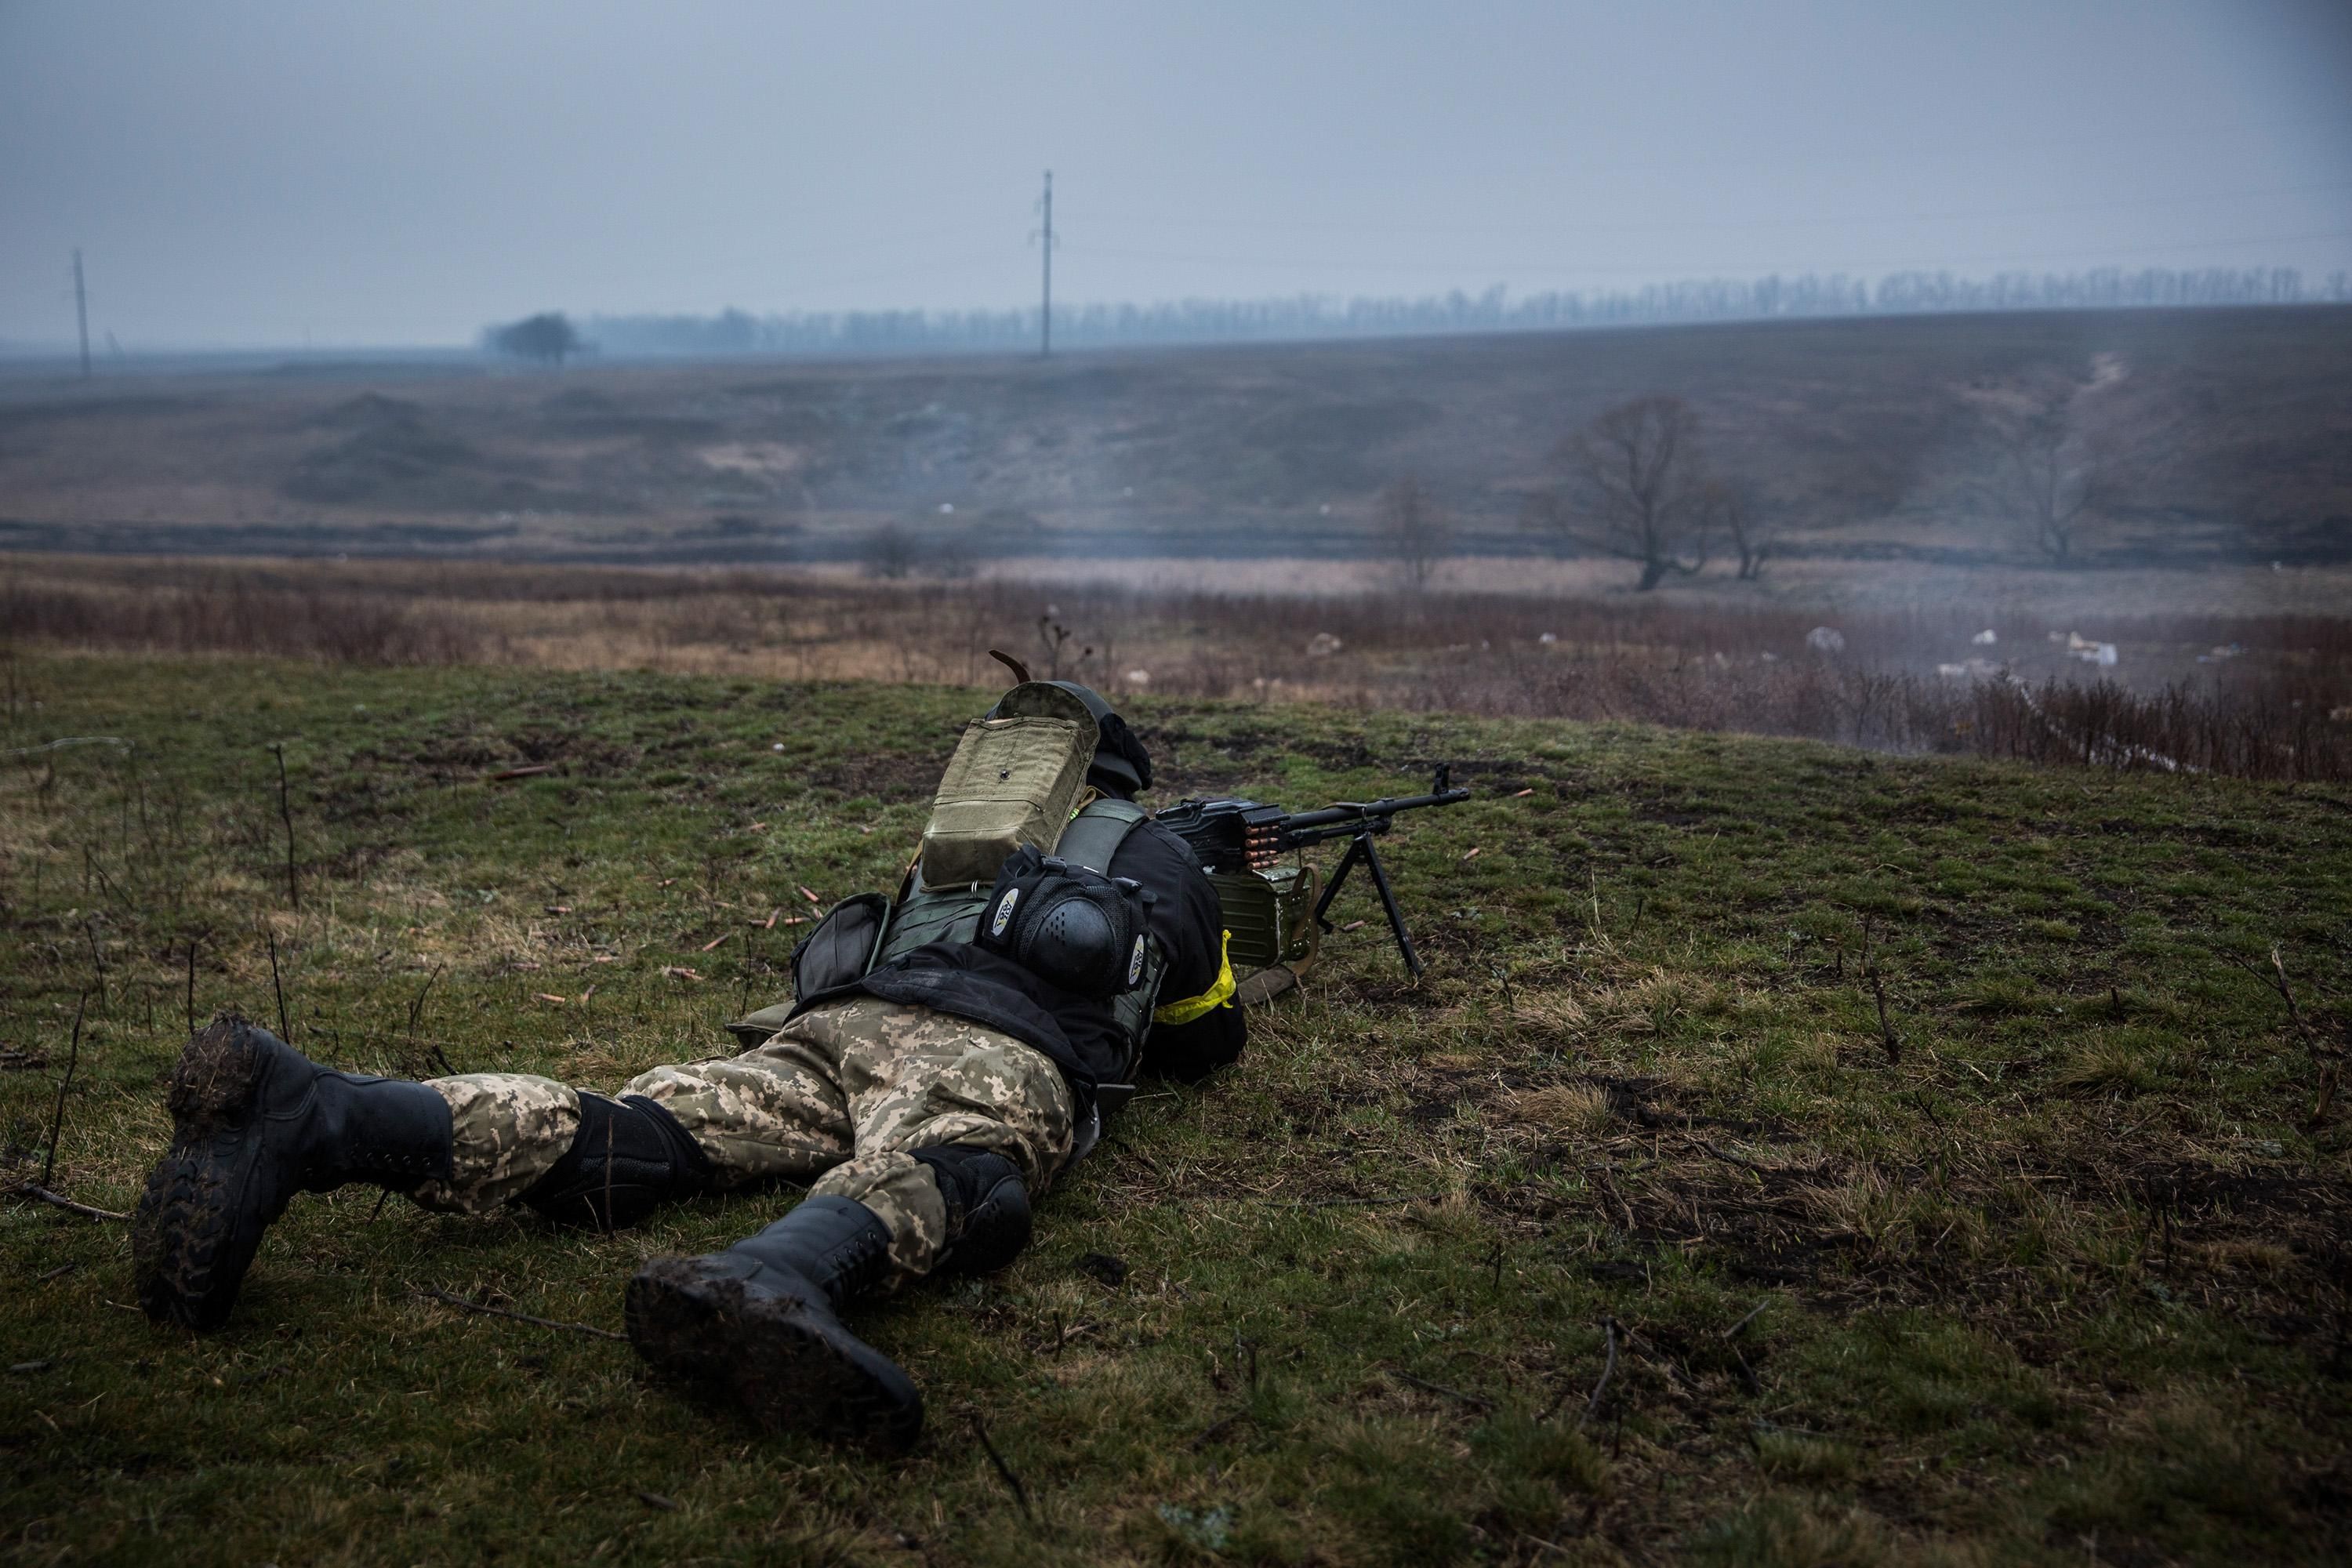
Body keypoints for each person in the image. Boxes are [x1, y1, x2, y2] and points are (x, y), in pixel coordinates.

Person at [132, 681, 1242, 1453]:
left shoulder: (957, 844)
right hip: (997, 1056)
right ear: (1127, 776)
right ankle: (781, 1275)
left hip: (834, 1028)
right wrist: (1200, 892)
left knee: (646, 1137)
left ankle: (313, 1110)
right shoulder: (1154, 851)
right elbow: (1202, 1038)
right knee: (958, 1170)